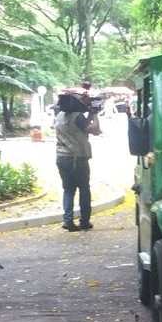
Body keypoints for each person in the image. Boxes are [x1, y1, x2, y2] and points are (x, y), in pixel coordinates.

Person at [55, 93, 101, 231]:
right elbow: (95, 130)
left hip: (61, 157)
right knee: (84, 189)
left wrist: (89, 114)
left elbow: (79, 129)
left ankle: (68, 220)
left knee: (68, 189)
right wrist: (95, 114)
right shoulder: (77, 117)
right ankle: (84, 221)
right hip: (77, 158)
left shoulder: (59, 116)